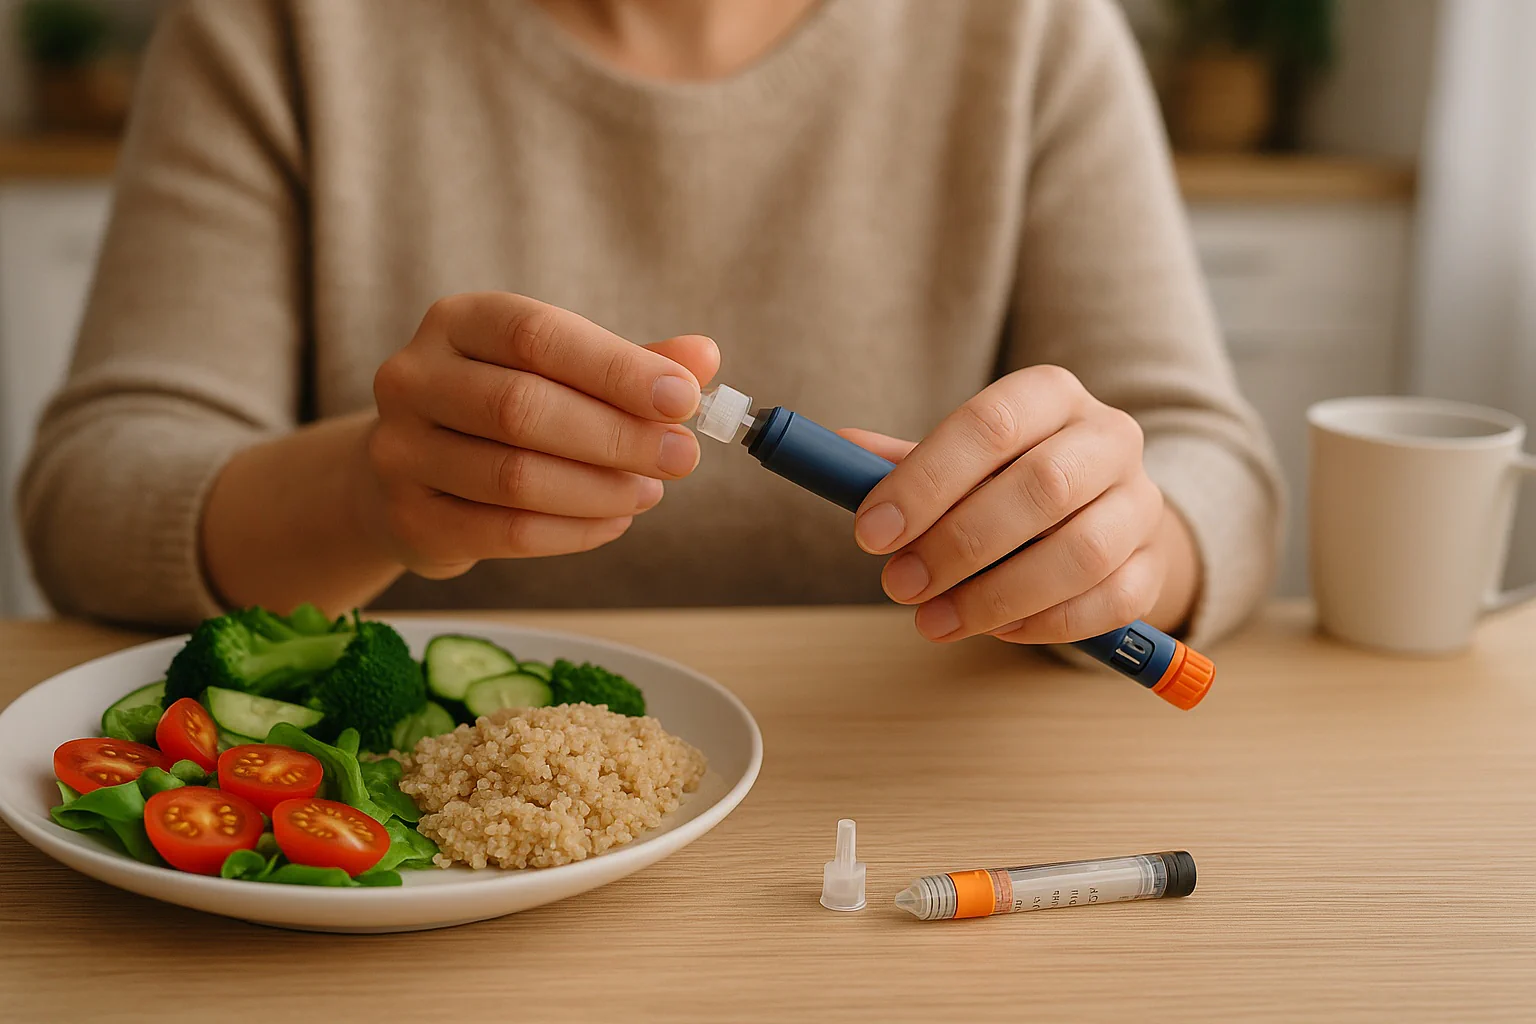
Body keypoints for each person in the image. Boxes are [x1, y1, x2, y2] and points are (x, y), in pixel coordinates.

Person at [19, 0, 1283, 653]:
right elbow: (95, 492)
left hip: (901, 813)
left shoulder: (1031, 30)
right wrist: (370, 495)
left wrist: (1130, 549)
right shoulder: (281, 29)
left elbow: (1204, 459)